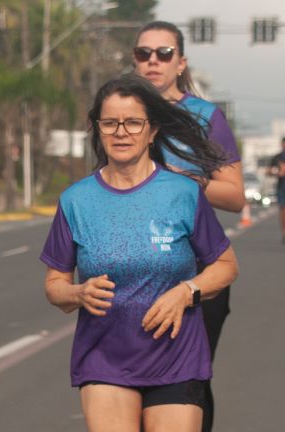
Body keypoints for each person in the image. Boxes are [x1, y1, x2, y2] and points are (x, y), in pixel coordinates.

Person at [40, 74, 239, 432]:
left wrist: (187, 291)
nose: (121, 132)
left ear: (152, 131)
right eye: (110, 123)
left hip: (176, 357)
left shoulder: (183, 193)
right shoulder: (76, 200)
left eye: (133, 122)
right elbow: (55, 283)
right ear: (97, 129)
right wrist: (77, 293)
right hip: (105, 358)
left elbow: (225, 265)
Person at [133, 21, 244, 431]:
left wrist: (183, 179)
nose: (153, 62)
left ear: (180, 62)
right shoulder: (121, 113)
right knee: (131, 383)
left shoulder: (204, 116)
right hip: (133, 271)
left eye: (163, 53)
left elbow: (234, 196)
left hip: (197, 270)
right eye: (144, 53)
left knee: (187, 384)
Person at [269, 137, 285, 242]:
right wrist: (277, 172)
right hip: (282, 187)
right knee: (283, 209)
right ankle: (284, 232)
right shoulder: (277, 157)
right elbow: (268, 171)